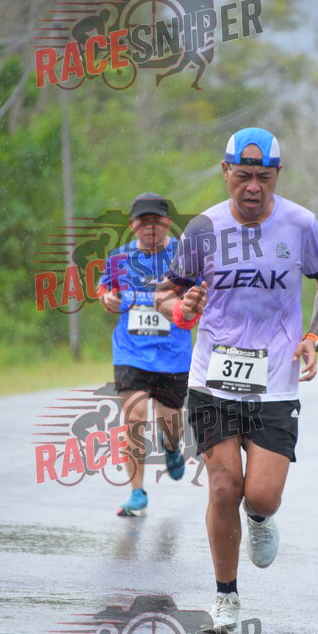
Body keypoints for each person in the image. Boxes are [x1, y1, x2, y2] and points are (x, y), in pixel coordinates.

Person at [155, 128, 318, 630]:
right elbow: (166, 295)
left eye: (263, 177)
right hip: (212, 378)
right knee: (223, 488)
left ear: (277, 175)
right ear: (225, 172)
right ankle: (226, 595)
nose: (253, 187)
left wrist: (313, 337)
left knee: (260, 495)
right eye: (242, 176)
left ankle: (259, 518)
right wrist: (183, 308)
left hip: (275, 380)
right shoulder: (203, 229)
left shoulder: (300, 224)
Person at [98, 193, 192, 516]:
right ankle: (137, 491)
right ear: (132, 224)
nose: (150, 227)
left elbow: (200, 292)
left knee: (171, 422)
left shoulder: (183, 255)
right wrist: (107, 299)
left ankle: (171, 446)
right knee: (134, 417)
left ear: (168, 222)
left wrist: (189, 303)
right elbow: (105, 289)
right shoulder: (118, 257)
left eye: (156, 220)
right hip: (131, 353)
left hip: (173, 354)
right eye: (143, 221)